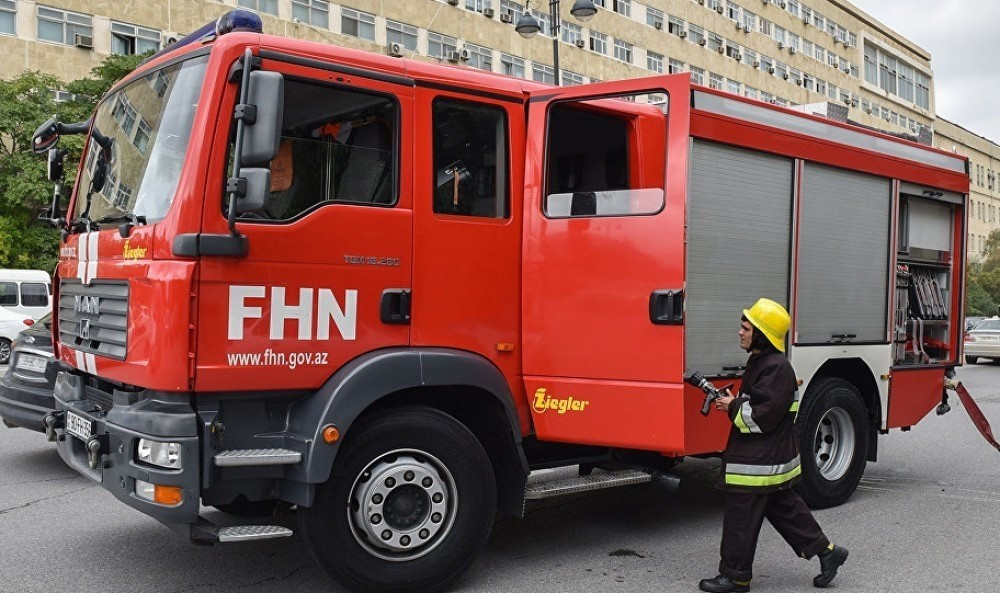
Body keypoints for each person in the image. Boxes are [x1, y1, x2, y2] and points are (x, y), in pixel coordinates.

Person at [698, 298, 849, 593]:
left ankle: (736, 578)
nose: (740, 332)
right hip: (768, 458)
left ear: (761, 334)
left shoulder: (776, 368)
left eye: (745, 328)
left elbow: (760, 416)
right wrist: (737, 402)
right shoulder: (764, 362)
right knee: (786, 510)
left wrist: (731, 406)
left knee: (740, 517)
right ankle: (829, 553)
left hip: (759, 461)